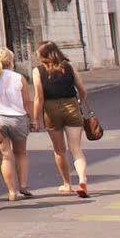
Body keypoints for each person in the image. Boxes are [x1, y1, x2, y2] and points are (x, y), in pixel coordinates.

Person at [32, 41, 91, 197]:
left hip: (51, 110)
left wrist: (35, 118)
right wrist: (79, 101)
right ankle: (82, 180)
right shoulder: (69, 66)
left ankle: (67, 184)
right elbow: (82, 90)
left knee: (59, 150)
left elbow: (39, 97)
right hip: (71, 105)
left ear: (43, 54)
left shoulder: (38, 71)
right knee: (76, 149)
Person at [0, 47, 34, 202]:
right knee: (21, 153)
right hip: (18, 118)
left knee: (5, 156)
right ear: (11, 61)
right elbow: (27, 101)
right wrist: (33, 119)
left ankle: (12, 191)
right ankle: (23, 185)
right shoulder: (19, 78)